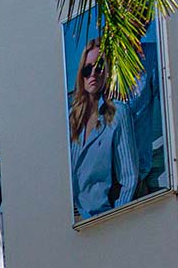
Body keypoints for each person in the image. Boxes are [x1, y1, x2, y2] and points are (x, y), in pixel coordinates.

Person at [68, 35, 161, 220]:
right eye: (87, 70)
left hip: (111, 214)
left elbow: (129, 176)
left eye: (99, 68)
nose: (93, 74)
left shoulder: (118, 112)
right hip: (82, 217)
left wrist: (116, 218)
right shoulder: (73, 118)